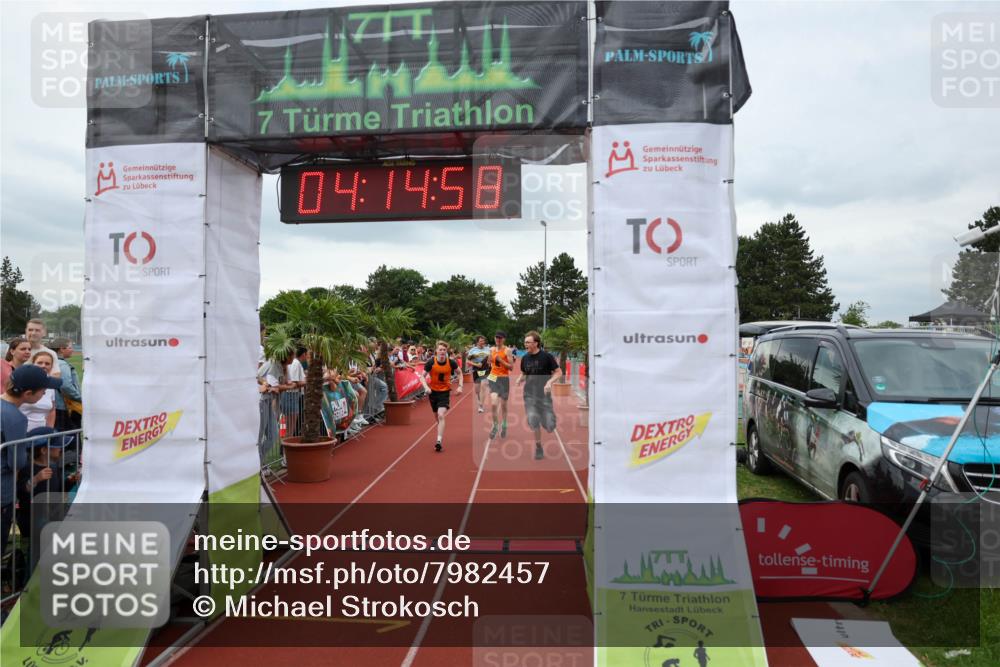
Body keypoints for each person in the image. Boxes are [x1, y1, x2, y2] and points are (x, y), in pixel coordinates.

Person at [1, 365, 62, 555]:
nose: (45, 393)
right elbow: (17, 462)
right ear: (28, 393)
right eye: (43, 390)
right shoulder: (15, 417)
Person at [517, 331, 562, 460]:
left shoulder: (547, 357)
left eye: (528, 342)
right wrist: (520, 378)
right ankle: (538, 447)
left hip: (544, 396)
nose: (525, 344)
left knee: (549, 426)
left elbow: (559, 373)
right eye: (525, 342)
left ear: (536, 343)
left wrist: (549, 382)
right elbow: (524, 372)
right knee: (533, 420)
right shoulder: (525, 358)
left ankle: (548, 420)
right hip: (529, 394)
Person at [420, 341, 463, 452]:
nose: (442, 351)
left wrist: (460, 386)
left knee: (440, 415)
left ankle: (438, 441)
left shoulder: (451, 362)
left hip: (444, 392)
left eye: (444, 350)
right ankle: (441, 428)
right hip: (432, 392)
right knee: (437, 418)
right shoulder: (431, 362)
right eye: (440, 350)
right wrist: (426, 388)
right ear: (436, 351)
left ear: (446, 351)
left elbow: (460, 373)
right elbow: (422, 377)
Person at [20, 350, 58, 431]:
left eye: (47, 364)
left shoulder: (51, 385)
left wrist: (49, 430)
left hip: (41, 435)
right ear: (33, 364)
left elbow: (52, 410)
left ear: (51, 366)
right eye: (39, 363)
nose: (43, 366)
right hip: (21, 434)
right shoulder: (23, 381)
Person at [51, 338, 82, 434]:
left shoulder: (52, 361)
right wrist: (79, 397)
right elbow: (66, 386)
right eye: (70, 347)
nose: (72, 350)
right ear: (61, 349)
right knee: (70, 436)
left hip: (56, 405)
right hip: (64, 407)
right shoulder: (63, 364)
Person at [487, 331, 514, 439]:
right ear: (494, 338)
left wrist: (501, 360)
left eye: (500, 338)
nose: (498, 339)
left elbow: (511, 367)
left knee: (503, 405)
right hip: (493, 378)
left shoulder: (507, 351)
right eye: (496, 337)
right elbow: (490, 363)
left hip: (504, 379)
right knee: (493, 403)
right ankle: (495, 426)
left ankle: (504, 424)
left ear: (504, 339)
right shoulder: (491, 350)